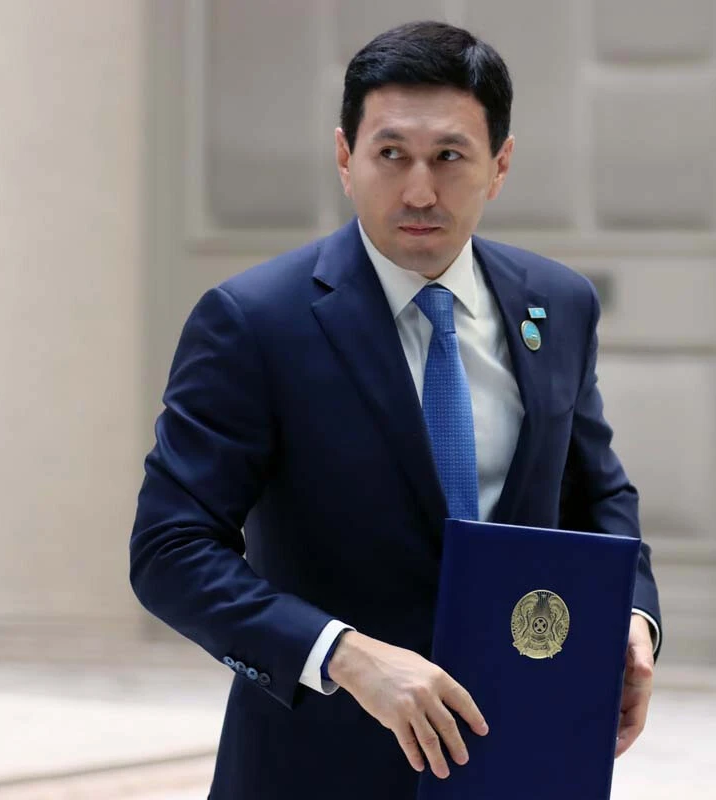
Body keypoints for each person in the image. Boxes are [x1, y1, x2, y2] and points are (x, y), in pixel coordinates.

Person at [129, 20, 662, 799]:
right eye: (390, 155)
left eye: (449, 156)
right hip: (316, 766)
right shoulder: (254, 322)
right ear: (345, 158)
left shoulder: (557, 305)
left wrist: (633, 616)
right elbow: (169, 550)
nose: (418, 191)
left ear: (500, 165)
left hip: (519, 754)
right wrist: (342, 654)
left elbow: (596, 493)